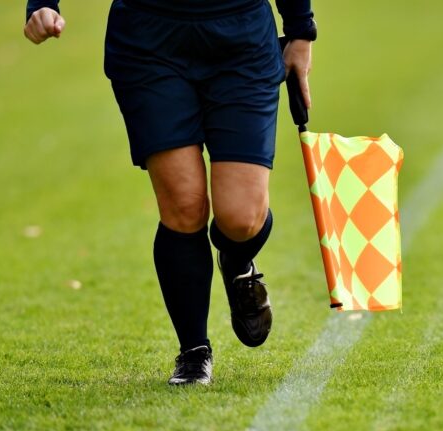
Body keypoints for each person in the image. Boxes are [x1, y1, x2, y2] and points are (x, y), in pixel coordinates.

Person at [23, 0, 316, 385]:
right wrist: (42, 2)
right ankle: (194, 351)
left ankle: (237, 261)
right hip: (149, 41)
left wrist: (300, 30)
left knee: (242, 219)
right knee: (183, 204)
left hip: (241, 39)